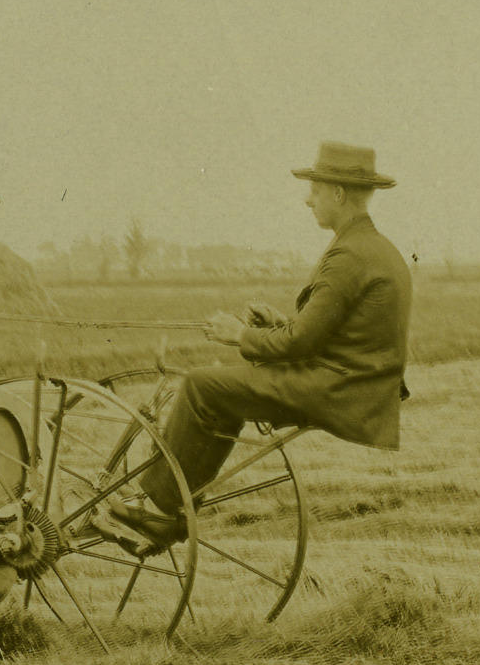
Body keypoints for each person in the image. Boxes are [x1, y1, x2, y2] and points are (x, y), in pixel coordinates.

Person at [96, 142, 413, 554]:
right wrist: (279, 324)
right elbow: (334, 335)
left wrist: (238, 335)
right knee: (222, 396)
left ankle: (157, 508)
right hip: (353, 385)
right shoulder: (375, 248)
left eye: (314, 191)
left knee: (200, 385)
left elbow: (302, 343)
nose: (307, 200)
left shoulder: (349, 254)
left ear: (338, 193)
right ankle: (173, 509)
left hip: (335, 388)